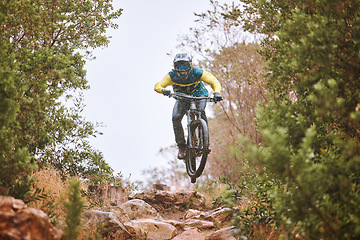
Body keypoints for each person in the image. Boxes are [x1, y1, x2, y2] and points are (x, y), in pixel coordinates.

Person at [154, 53, 223, 159]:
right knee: (176, 118)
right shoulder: (172, 75)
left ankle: (204, 141)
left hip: (199, 94)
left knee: (201, 111)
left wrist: (217, 92)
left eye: (184, 66)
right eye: (179, 67)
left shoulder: (197, 72)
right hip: (182, 97)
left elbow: (213, 80)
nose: (182, 70)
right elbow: (157, 85)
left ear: (190, 65)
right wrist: (163, 90)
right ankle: (182, 146)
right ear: (174, 67)